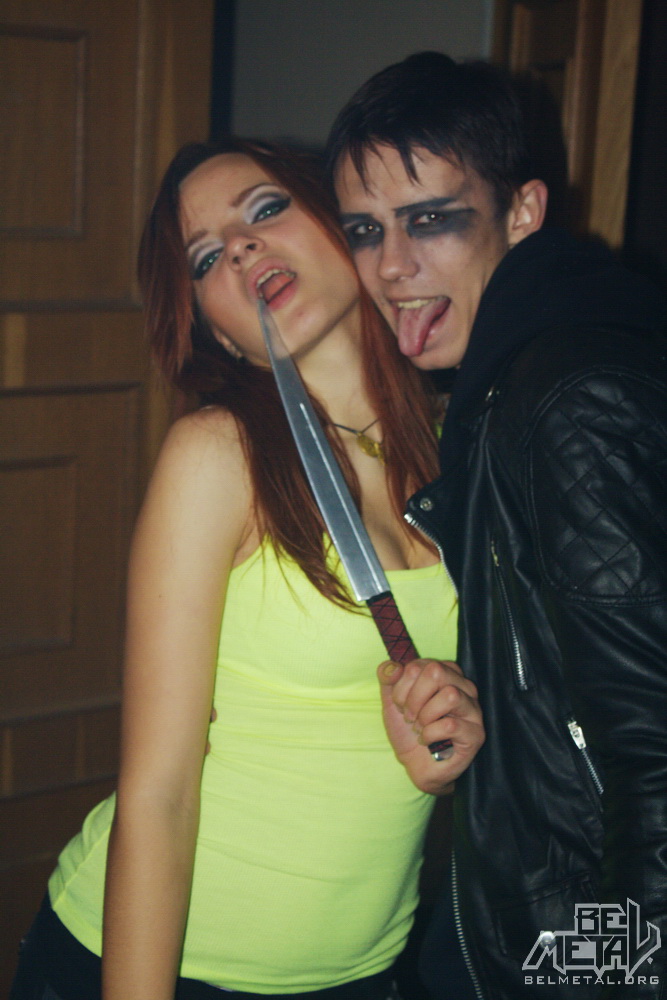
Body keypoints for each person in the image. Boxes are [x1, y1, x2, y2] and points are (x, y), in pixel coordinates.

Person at [10, 137, 484, 1000]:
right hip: (170, 966)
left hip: (364, 970)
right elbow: (157, 793)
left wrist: (448, 753)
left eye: (265, 210)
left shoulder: (459, 450)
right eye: (204, 258)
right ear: (216, 331)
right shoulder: (217, 458)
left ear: (344, 229)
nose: (238, 248)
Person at [326, 51, 667, 1000]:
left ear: (522, 212)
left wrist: (593, 976)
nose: (391, 267)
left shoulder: (571, 396)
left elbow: (657, 772)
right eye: (365, 230)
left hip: (573, 945)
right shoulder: (512, 375)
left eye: (431, 219)